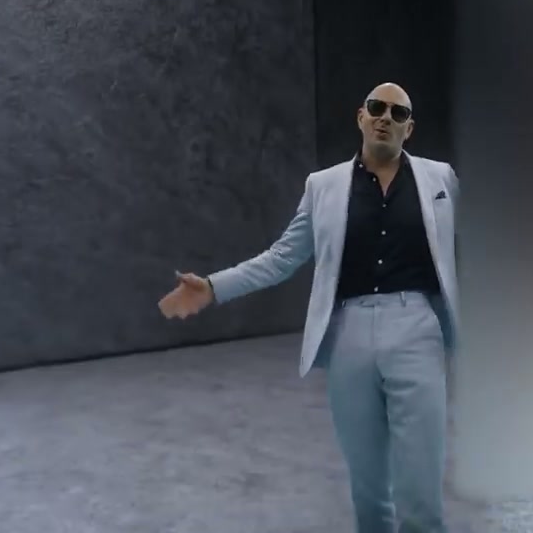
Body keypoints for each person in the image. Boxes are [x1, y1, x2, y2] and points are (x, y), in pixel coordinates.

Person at [159, 82, 459, 533]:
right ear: (361, 116)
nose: (385, 117)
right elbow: (281, 258)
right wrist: (213, 287)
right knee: (368, 487)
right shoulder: (324, 186)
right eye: (377, 107)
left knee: (421, 487)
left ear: (409, 128)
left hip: (416, 328)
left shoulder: (441, 179)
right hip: (348, 336)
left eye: (398, 113)